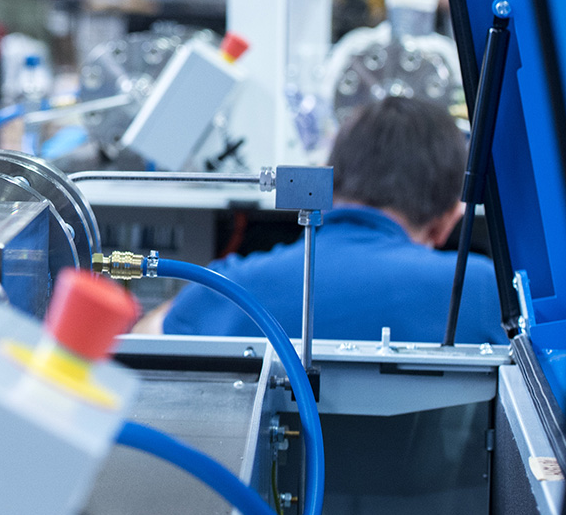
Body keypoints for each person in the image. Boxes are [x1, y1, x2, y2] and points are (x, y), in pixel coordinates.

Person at [144, 96, 505, 344]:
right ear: (446, 221)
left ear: (322, 184)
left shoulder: (232, 285)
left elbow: (141, 344)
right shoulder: (479, 287)